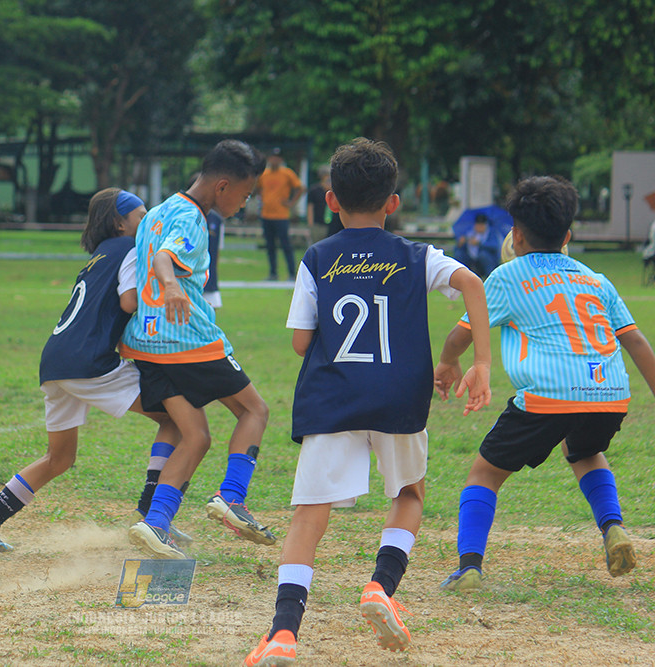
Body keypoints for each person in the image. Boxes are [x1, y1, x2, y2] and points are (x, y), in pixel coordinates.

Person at [244, 138, 492, 665]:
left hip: (334, 398)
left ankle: (284, 633)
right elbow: (473, 283)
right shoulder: (416, 255)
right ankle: (381, 587)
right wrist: (483, 363)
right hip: (399, 397)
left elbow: (300, 342)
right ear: (393, 203)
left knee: (309, 516)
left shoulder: (317, 257)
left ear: (330, 200)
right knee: (409, 492)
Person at [436, 176, 655, 593]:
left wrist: (448, 361)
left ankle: (468, 567)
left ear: (515, 235)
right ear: (568, 235)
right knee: (585, 450)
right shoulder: (597, 279)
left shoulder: (506, 276)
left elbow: (462, 333)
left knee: (483, 474)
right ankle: (614, 528)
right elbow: (637, 342)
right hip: (609, 393)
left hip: (547, 395)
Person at [0, 188, 183, 552]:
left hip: (57, 360)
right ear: (119, 223)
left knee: (58, 458)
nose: (148, 222)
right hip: (88, 361)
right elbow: (128, 300)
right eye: (142, 216)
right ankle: (150, 515)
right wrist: (168, 289)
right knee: (177, 420)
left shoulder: (98, 256)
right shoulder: (130, 249)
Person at [122, 139, 276, 560]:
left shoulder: (157, 211)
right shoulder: (193, 218)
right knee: (254, 411)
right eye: (244, 195)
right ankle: (232, 497)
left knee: (196, 435)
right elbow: (164, 260)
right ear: (223, 185)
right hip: (186, 340)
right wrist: (172, 284)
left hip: (148, 344)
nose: (243, 205)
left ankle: (155, 524)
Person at [256, 147, 304, 281]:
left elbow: (300, 188)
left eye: (277, 158)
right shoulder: (264, 174)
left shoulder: (287, 173)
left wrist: (291, 202)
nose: (274, 160)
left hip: (281, 215)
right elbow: (258, 188)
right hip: (266, 214)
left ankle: (291, 273)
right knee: (270, 246)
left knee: (286, 245)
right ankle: (273, 273)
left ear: (281, 160)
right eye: (272, 158)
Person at [454, 213, 503, 278]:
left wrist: (479, 243)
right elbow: (459, 248)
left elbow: (494, 247)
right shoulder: (470, 233)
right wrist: (461, 243)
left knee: (483, 255)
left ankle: (490, 277)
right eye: (478, 224)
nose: (479, 227)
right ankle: (461, 277)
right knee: (459, 254)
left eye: (482, 225)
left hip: (487, 261)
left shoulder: (491, 233)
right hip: (471, 259)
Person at [305, 166, 342, 244]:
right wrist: (311, 224)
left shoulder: (336, 191)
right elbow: (310, 208)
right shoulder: (314, 190)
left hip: (334, 224)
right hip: (318, 223)